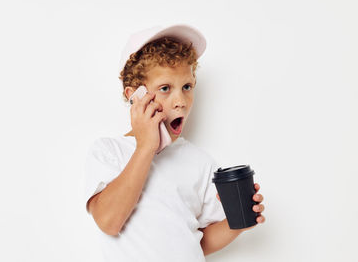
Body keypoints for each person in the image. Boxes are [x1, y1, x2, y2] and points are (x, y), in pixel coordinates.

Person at [84, 23, 266, 261]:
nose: (180, 101)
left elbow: (199, 242)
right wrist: (145, 147)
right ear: (134, 96)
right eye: (165, 88)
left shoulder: (200, 163)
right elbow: (109, 222)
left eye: (187, 87)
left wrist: (238, 222)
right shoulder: (109, 151)